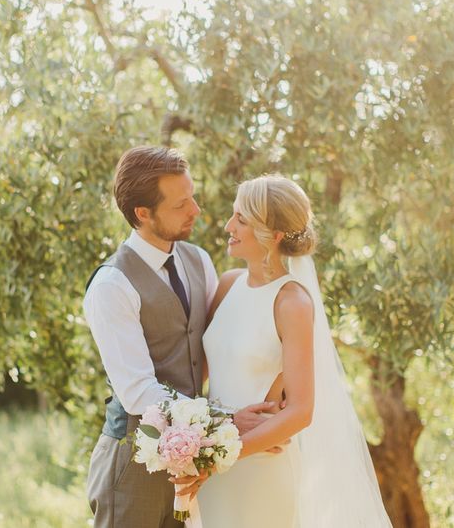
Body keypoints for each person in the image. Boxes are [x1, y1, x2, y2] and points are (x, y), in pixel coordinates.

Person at [83, 147, 281, 528]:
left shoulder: (199, 261)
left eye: (193, 197)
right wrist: (228, 424)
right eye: (180, 205)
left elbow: (222, 345)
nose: (196, 211)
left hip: (194, 467)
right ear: (143, 213)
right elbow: (139, 392)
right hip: (132, 469)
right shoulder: (111, 285)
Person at [191, 175, 392, 527]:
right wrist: (203, 439)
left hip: (258, 470)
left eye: (241, 219)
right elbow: (202, 374)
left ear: (274, 235)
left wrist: (222, 454)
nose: (228, 226)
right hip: (210, 465)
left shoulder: (292, 302)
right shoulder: (227, 284)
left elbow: (300, 410)